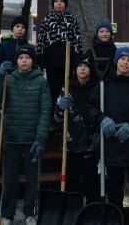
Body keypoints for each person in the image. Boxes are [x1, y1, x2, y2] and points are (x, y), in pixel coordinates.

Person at [86, 47, 129, 225]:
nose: (126, 63)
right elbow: (90, 108)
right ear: (116, 61)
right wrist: (102, 119)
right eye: (123, 59)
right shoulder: (103, 85)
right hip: (112, 147)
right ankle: (117, 221)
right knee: (115, 190)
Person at [0, 45, 50, 225]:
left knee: (33, 180)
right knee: (9, 179)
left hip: (32, 139)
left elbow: (45, 111)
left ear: (33, 61)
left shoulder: (41, 81)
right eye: (21, 58)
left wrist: (40, 138)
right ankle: (7, 214)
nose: (24, 61)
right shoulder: (9, 78)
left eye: (27, 57)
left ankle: (30, 212)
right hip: (11, 137)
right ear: (16, 61)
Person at [53, 54, 100, 201]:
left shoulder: (97, 88)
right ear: (75, 69)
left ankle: (93, 207)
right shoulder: (67, 88)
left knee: (90, 179)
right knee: (72, 179)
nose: (83, 69)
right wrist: (60, 108)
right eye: (80, 66)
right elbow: (56, 119)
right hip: (70, 144)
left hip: (90, 144)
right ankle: (72, 208)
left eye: (86, 66)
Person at [36, 0, 83, 115]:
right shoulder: (47, 19)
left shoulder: (71, 19)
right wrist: (40, 59)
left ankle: (66, 116)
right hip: (52, 62)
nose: (59, 4)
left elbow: (77, 39)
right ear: (53, 4)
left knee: (66, 89)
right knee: (53, 90)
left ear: (65, 4)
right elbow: (41, 40)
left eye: (61, 1)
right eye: (56, 1)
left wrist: (78, 58)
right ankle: (53, 116)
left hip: (68, 61)